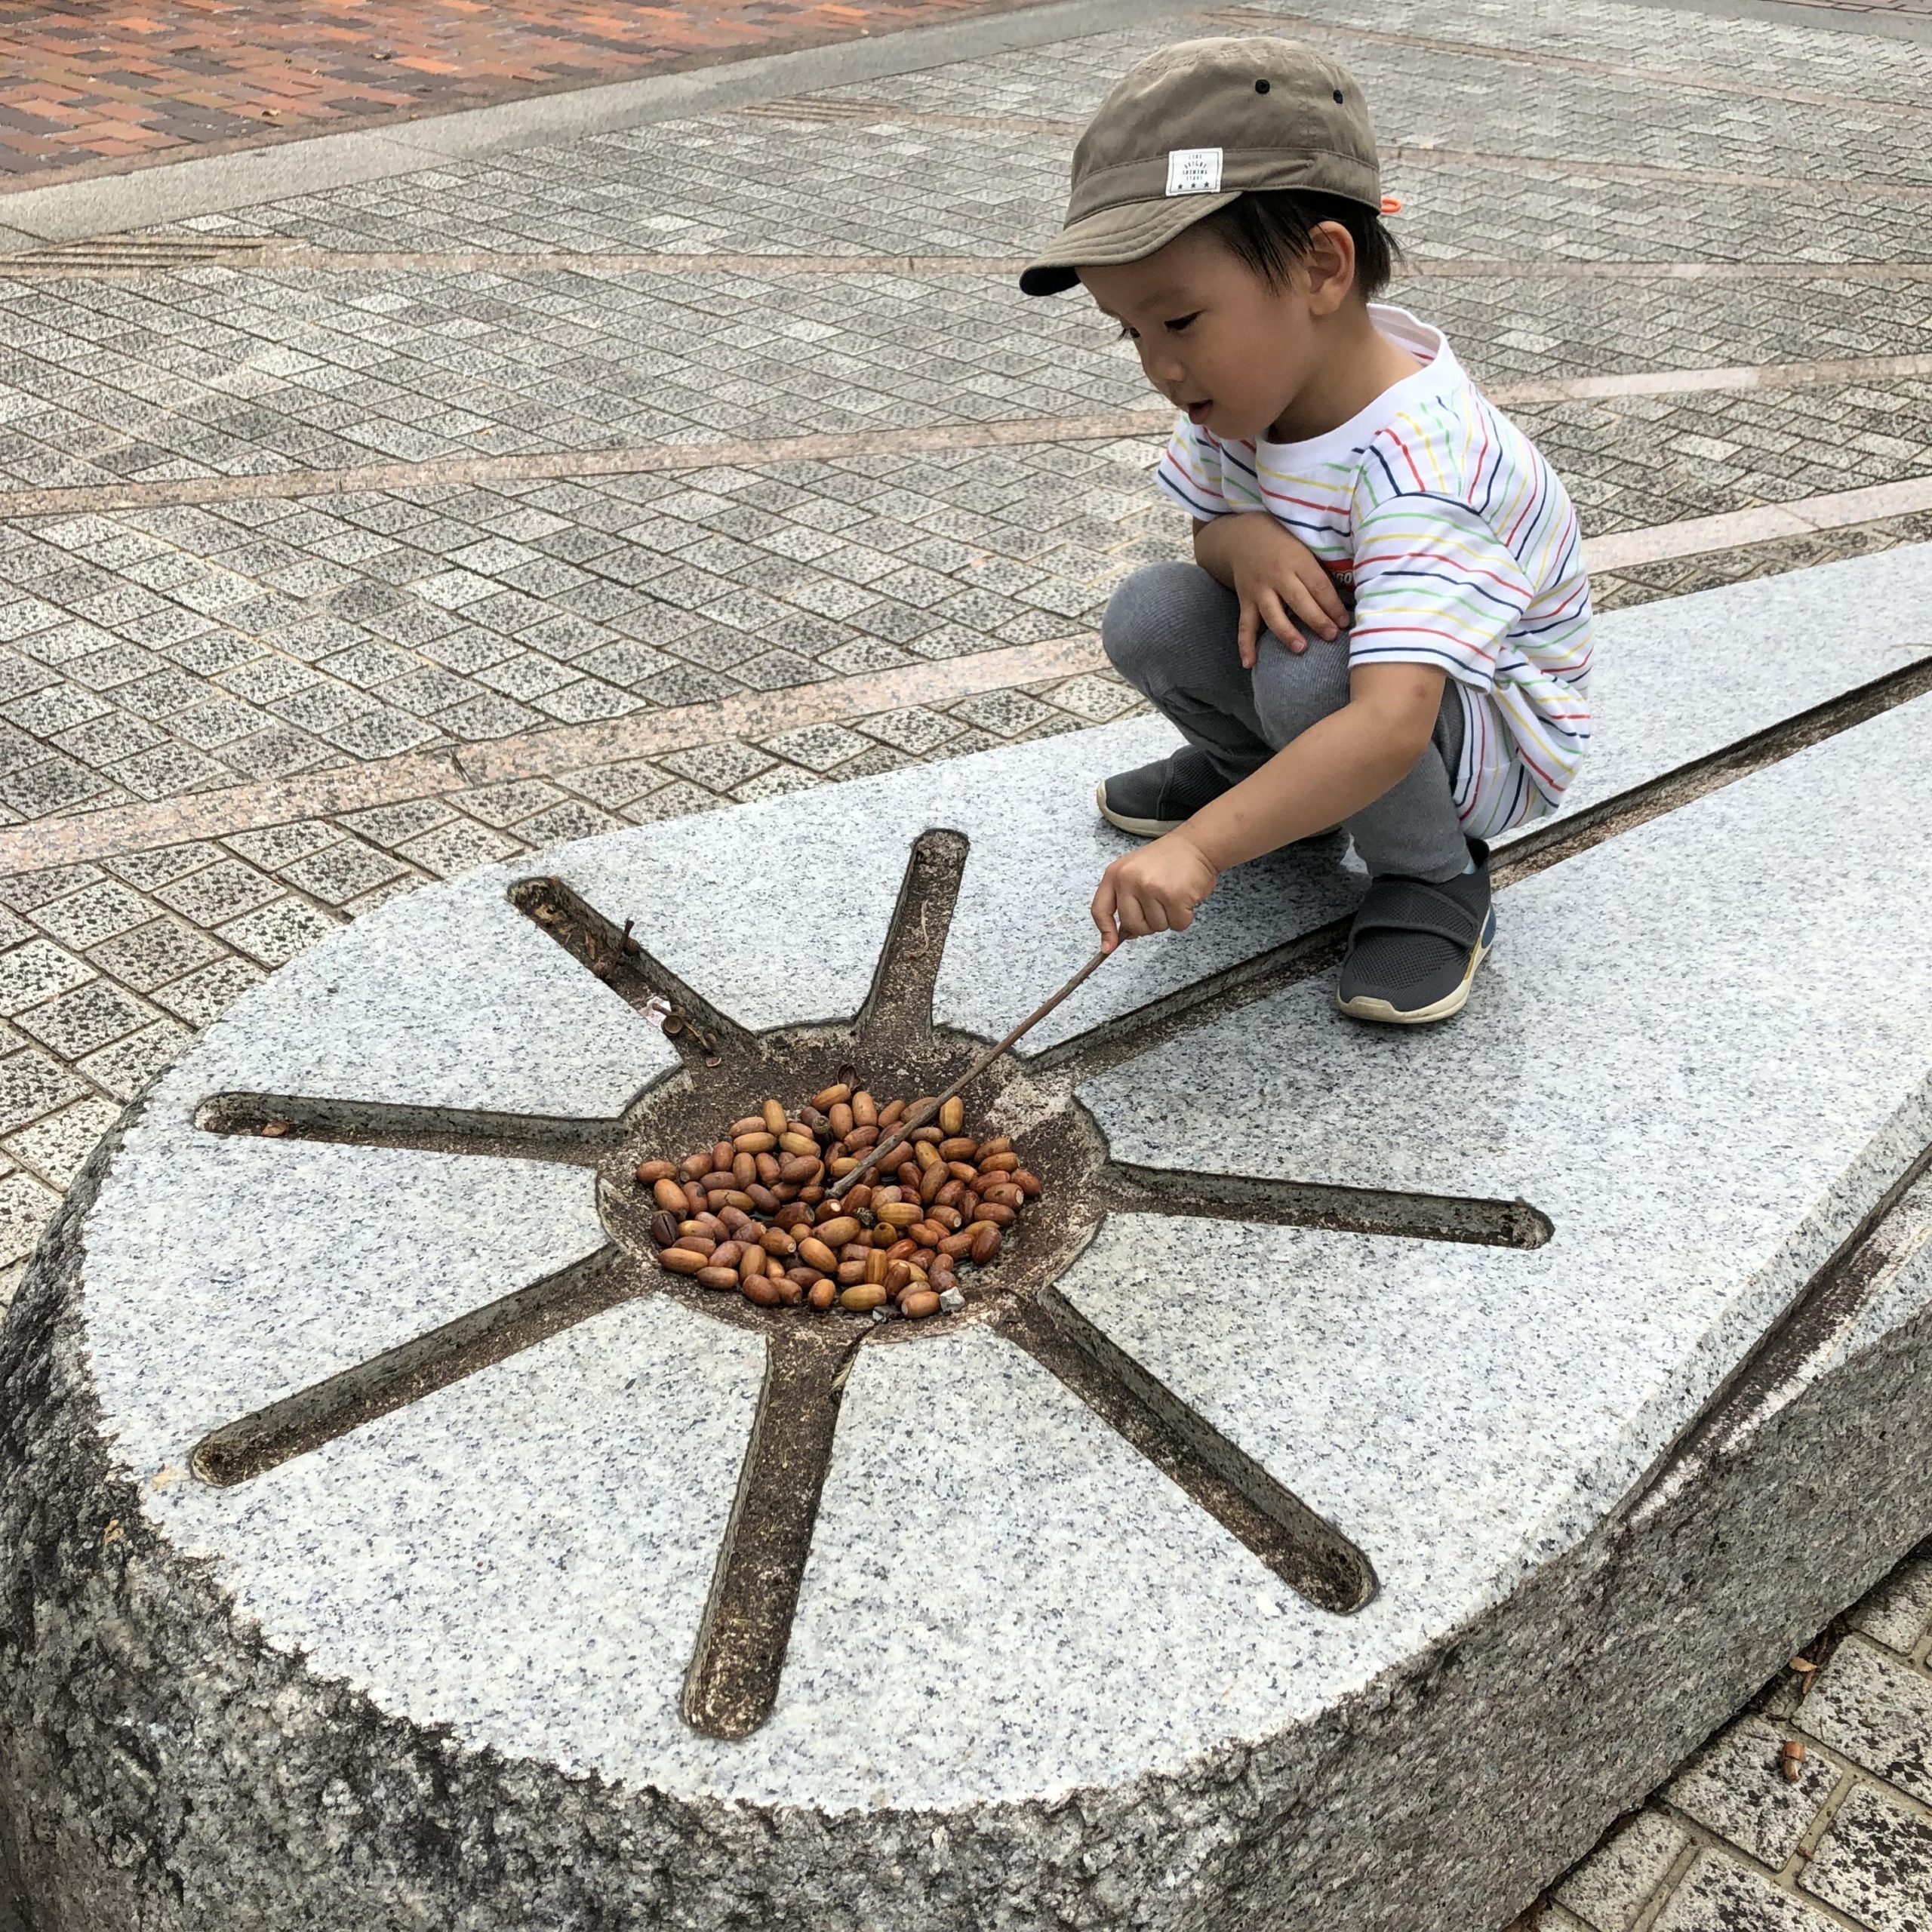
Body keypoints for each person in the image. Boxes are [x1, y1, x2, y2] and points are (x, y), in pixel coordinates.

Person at [1020, 35, 1593, 1023]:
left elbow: (1391, 719)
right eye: (1132, 331)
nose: (1160, 366)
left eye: (1181, 321)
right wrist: (1240, 542)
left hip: (1482, 736)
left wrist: (1201, 848)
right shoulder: (1246, 398)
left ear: (1323, 267)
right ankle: (1269, 793)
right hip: (1342, 675)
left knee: (1306, 678)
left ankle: (1430, 875)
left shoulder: (1429, 463)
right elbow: (1211, 531)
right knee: (1151, 613)